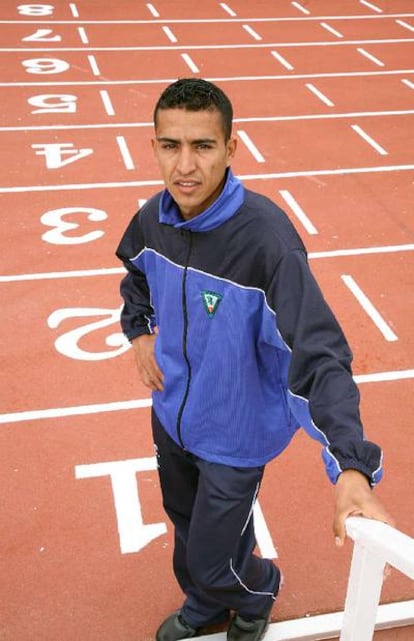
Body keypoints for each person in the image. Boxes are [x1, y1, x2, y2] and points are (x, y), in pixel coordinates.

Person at [116, 78, 393, 641]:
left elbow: (318, 357)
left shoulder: (267, 242)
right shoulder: (153, 218)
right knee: (188, 528)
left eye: (203, 146)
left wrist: (352, 466)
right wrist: (139, 330)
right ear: (153, 146)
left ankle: (256, 591)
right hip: (171, 415)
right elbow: (134, 271)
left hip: (235, 433)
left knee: (215, 556)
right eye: (171, 146)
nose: (185, 166)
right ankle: (204, 604)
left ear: (231, 148)